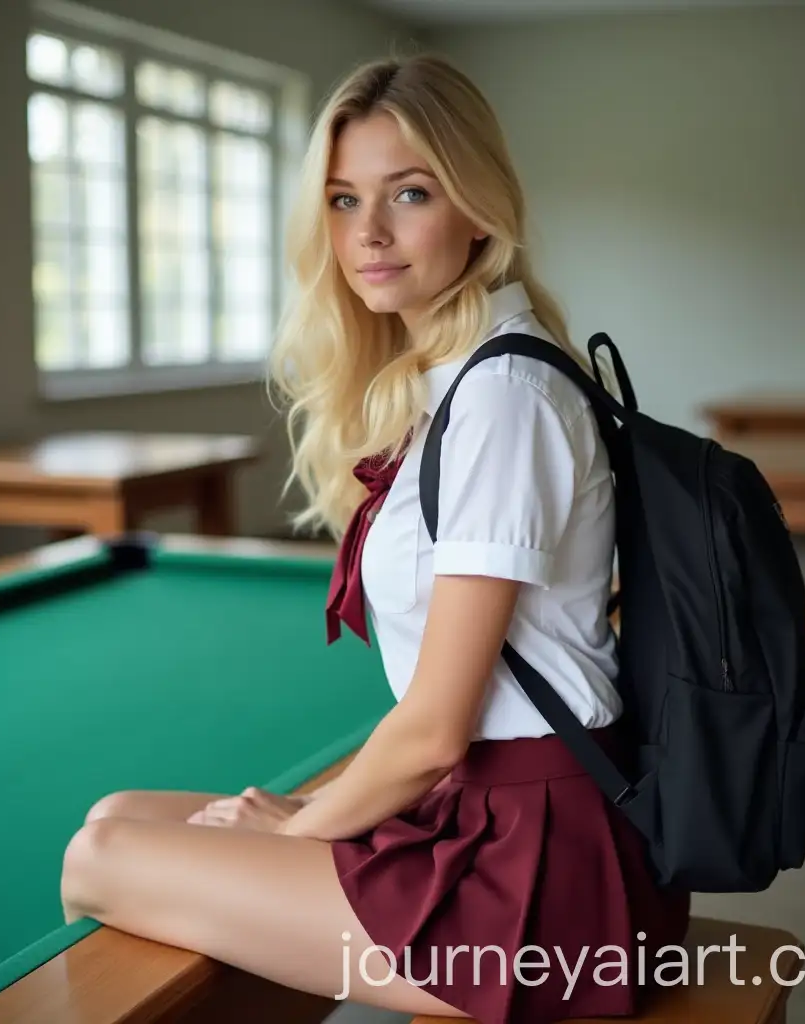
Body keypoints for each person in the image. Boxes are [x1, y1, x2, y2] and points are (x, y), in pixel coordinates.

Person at [59, 53, 690, 1024]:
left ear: (478, 208)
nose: (370, 234)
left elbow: (434, 731)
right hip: (481, 813)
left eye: (409, 193)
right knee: (118, 814)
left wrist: (298, 831)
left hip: (540, 869)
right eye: (344, 200)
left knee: (99, 854)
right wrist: (313, 818)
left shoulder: (504, 396)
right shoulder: (468, 377)